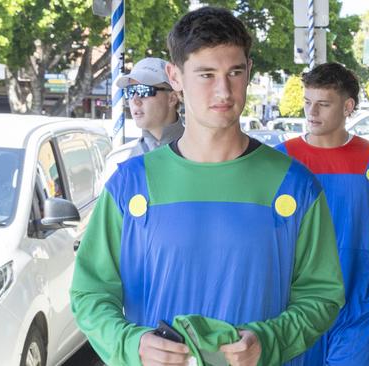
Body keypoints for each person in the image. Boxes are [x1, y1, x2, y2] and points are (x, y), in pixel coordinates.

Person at [70, 6, 345, 366]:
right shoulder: (130, 185)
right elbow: (90, 292)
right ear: (176, 77)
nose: (223, 90)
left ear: (249, 73)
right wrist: (130, 344)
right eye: (205, 74)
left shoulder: (294, 186)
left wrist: (269, 340)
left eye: (234, 72)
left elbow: (322, 294)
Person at [276, 62, 369, 365]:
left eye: (323, 104)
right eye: (308, 102)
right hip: (295, 308)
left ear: (347, 106)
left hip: (357, 306)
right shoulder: (282, 158)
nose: (312, 112)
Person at [110, 57, 184, 166]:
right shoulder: (119, 160)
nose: (135, 100)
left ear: (172, 98)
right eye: (130, 91)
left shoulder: (204, 152)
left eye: (144, 90)